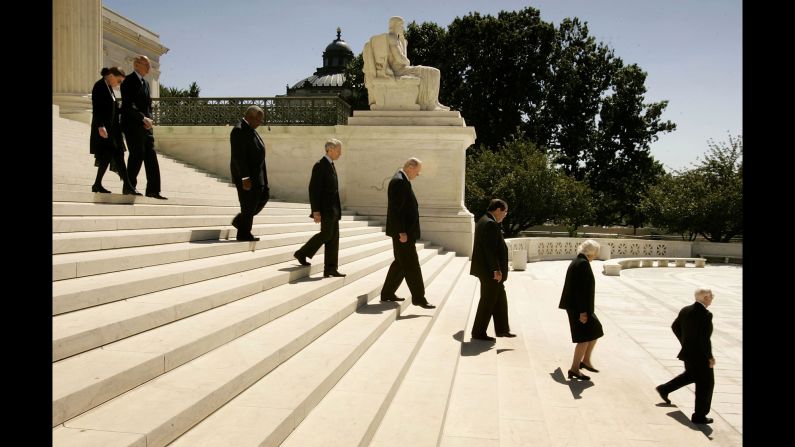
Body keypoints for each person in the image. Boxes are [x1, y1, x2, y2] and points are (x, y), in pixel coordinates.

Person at [379, 157, 436, 309]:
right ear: (410, 167)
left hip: (403, 232)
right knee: (412, 265)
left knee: (400, 263)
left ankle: (387, 293)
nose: (417, 175)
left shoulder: (401, 180)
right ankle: (419, 298)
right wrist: (401, 231)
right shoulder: (399, 181)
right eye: (417, 171)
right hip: (403, 234)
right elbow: (396, 210)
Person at [655, 287, 716, 424]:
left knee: (691, 375)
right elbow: (704, 339)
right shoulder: (706, 315)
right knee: (706, 385)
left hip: (687, 353)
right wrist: (710, 357)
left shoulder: (685, 310)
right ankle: (699, 416)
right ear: (705, 298)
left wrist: (685, 343)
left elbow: (675, 326)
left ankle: (664, 388)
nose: (712, 298)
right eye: (711, 296)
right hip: (700, 356)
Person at [293, 138, 346, 277]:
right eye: (338, 150)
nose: (340, 153)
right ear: (330, 149)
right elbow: (314, 190)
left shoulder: (331, 165)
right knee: (326, 234)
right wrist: (315, 211)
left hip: (333, 210)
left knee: (333, 238)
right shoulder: (320, 165)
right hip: (325, 209)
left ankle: (331, 268)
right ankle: (302, 253)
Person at [120, 55, 167, 199]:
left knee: (151, 157)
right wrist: (142, 118)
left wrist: (149, 120)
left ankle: (153, 190)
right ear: (136, 65)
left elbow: (148, 106)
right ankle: (129, 187)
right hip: (132, 126)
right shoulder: (128, 81)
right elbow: (128, 105)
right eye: (146, 64)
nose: (149, 67)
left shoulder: (146, 84)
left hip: (146, 127)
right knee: (136, 155)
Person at [470, 199, 515, 341]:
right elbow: (490, 250)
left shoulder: (484, 220)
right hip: (489, 272)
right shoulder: (490, 223)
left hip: (486, 270)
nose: (505, 215)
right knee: (487, 301)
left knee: (500, 298)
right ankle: (478, 332)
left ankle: (502, 329)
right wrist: (496, 270)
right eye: (505, 212)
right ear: (497, 210)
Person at [558, 239, 604, 381]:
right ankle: (575, 369)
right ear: (591, 252)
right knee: (584, 338)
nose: (596, 256)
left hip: (578, 307)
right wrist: (583, 312)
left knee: (596, 330)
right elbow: (581, 291)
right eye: (596, 253)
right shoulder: (583, 264)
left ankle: (586, 361)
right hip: (579, 308)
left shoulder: (578, 261)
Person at [386, 16, 450, 111]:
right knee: (433, 72)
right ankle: (430, 103)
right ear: (394, 25)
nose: (403, 27)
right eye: (401, 25)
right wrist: (406, 61)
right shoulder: (392, 37)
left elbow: (405, 59)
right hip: (399, 70)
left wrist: (403, 41)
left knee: (434, 72)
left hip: (403, 69)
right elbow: (401, 59)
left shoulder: (398, 39)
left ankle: (433, 102)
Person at [90, 67, 137, 195]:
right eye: (119, 80)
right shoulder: (99, 86)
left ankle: (98, 184)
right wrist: (100, 126)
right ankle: (127, 186)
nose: (119, 84)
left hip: (113, 130)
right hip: (104, 129)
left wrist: (128, 110)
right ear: (111, 75)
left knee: (112, 157)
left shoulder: (108, 87)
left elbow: (113, 110)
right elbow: (97, 108)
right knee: (113, 156)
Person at [230, 105, 269, 242]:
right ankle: (244, 233)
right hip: (247, 176)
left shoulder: (251, 129)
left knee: (263, 197)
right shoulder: (239, 130)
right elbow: (238, 158)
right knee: (248, 204)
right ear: (250, 117)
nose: (260, 123)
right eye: (259, 120)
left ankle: (240, 221)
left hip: (258, 175)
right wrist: (245, 177)